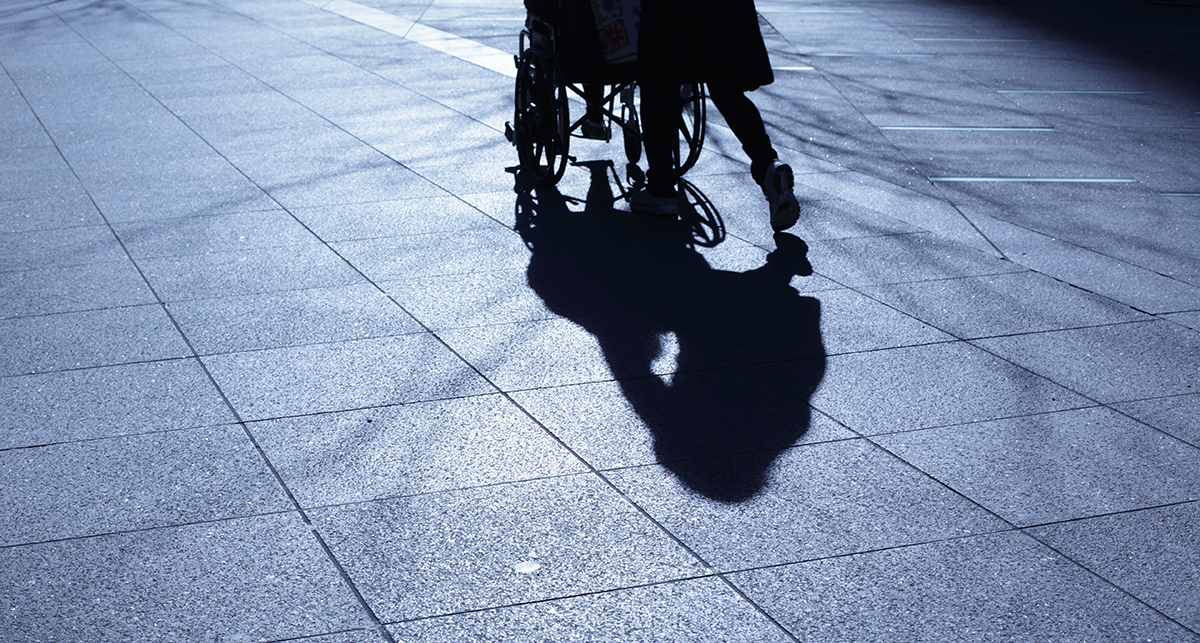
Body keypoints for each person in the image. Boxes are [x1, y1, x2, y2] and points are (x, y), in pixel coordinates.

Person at [631, 0, 800, 232]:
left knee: (658, 85)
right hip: (722, 9)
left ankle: (661, 189)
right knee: (726, 89)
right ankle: (767, 164)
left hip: (670, 13)